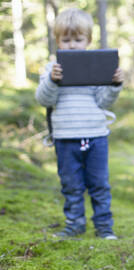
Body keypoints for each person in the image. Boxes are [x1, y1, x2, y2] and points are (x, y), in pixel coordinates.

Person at [35, 8, 123, 239]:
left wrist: (114, 85)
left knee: (99, 184)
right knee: (71, 185)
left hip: (95, 136)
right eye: (66, 40)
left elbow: (104, 102)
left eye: (78, 40)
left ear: (88, 40)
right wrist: (53, 81)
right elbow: (44, 99)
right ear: (57, 41)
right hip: (65, 138)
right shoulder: (51, 69)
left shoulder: (95, 67)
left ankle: (104, 227)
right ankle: (74, 224)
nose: (72, 45)